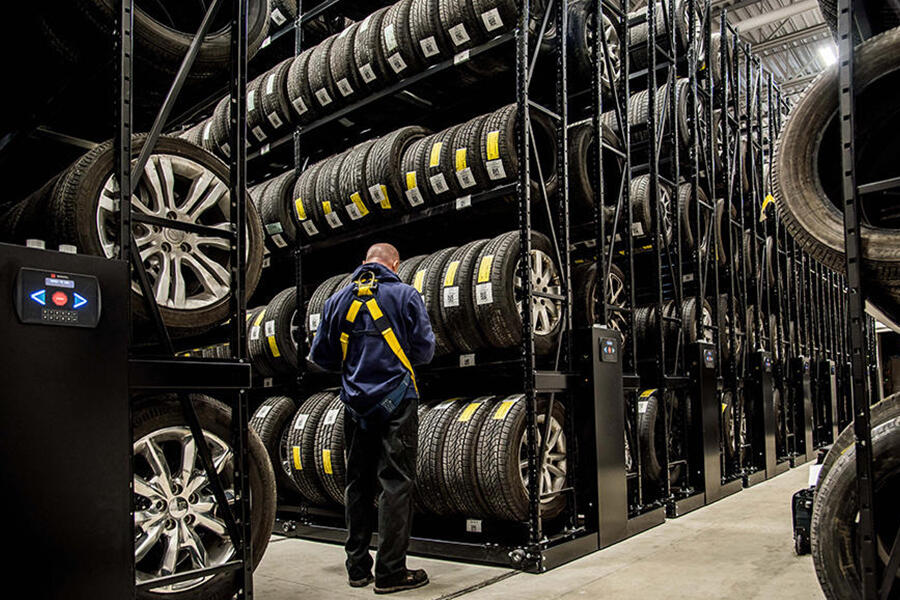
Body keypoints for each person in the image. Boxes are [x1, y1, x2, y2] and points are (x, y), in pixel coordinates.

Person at [309, 242, 435, 594]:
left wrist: (356, 368)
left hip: (354, 406)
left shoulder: (336, 300)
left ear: (364, 263)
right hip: (398, 401)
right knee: (395, 484)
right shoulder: (406, 295)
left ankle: (357, 569)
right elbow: (425, 352)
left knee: (358, 485)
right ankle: (392, 572)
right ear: (395, 264)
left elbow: (321, 355)